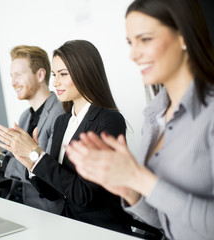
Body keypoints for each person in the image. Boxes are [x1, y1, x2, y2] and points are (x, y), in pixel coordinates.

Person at [66, 0, 214, 240]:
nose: (133, 54)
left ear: (183, 36)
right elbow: (165, 222)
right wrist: (129, 190)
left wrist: (139, 178)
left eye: (145, 39)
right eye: (130, 43)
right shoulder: (154, 116)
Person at [0, 40, 137, 234]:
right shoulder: (62, 122)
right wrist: (30, 163)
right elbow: (52, 193)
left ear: (84, 72)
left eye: (63, 74)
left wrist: (36, 155)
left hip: (101, 229)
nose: (55, 83)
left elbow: (84, 195)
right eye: (54, 75)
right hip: (68, 225)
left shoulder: (108, 120)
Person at [0, 45, 65, 213]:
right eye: (11, 76)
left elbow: (45, 171)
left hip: (47, 211)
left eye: (18, 75)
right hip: (20, 206)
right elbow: (11, 165)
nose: (13, 82)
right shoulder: (25, 116)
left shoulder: (60, 114)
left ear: (40, 75)